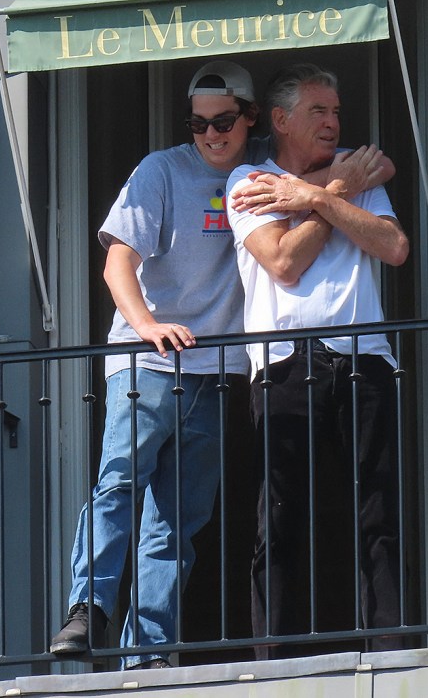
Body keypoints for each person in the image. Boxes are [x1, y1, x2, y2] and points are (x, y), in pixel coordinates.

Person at [50, 58, 395, 669]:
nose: (211, 133)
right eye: (198, 123)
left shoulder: (262, 161)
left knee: (177, 521)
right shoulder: (167, 171)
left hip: (218, 371)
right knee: (120, 483)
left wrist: (321, 189)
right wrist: (148, 327)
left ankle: (149, 653)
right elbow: (116, 265)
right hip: (149, 364)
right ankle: (88, 608)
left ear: (253, 118)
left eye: (225, 120)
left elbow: (378, 166)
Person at [226, 63, 410, 658]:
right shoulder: (249, 181)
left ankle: (384, 647)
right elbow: (283, 262)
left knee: (376, 511)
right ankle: (276, 660)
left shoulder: (357, 166)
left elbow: (394, 246)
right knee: (278, 520)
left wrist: (310, 196)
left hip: (363, 356)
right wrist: (332, 194)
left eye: (336, 112)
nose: (334, 122)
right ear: (280, 120)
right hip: (282, 364)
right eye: (319, 112)